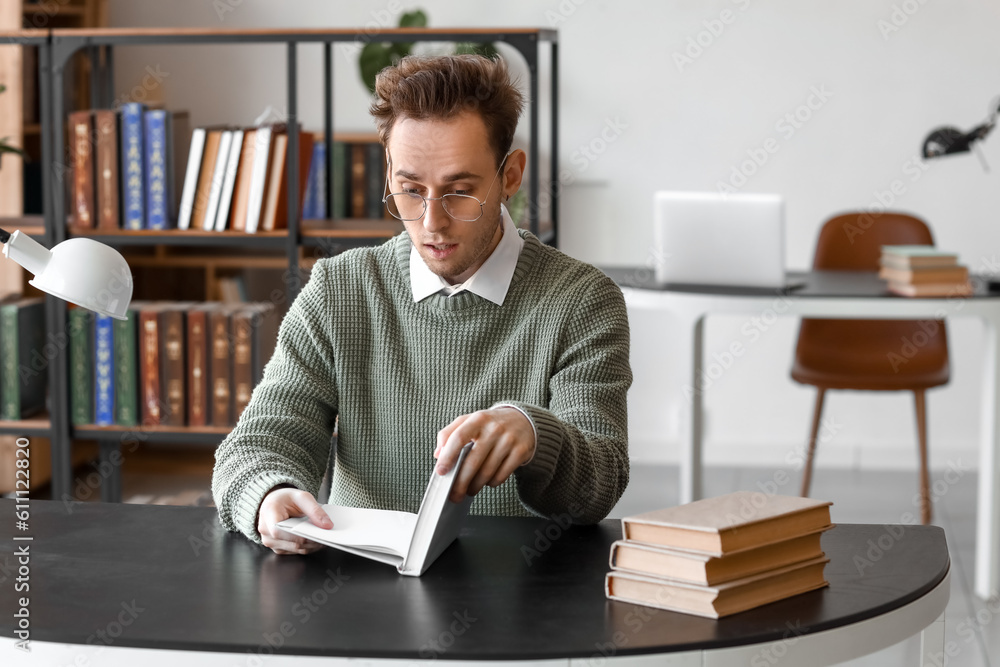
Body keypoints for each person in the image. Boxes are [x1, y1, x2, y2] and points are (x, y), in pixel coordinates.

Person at [211, 54, 632, 555]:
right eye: (410, 190)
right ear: (388, 172)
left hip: (524, 599)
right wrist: (269, 496)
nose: (431, 222)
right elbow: (256, 445)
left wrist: (536, 436)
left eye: (459, 192)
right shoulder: (339, 289)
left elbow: (599, 485)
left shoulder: (582, 300)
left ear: (511, 176)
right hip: (361, 596)